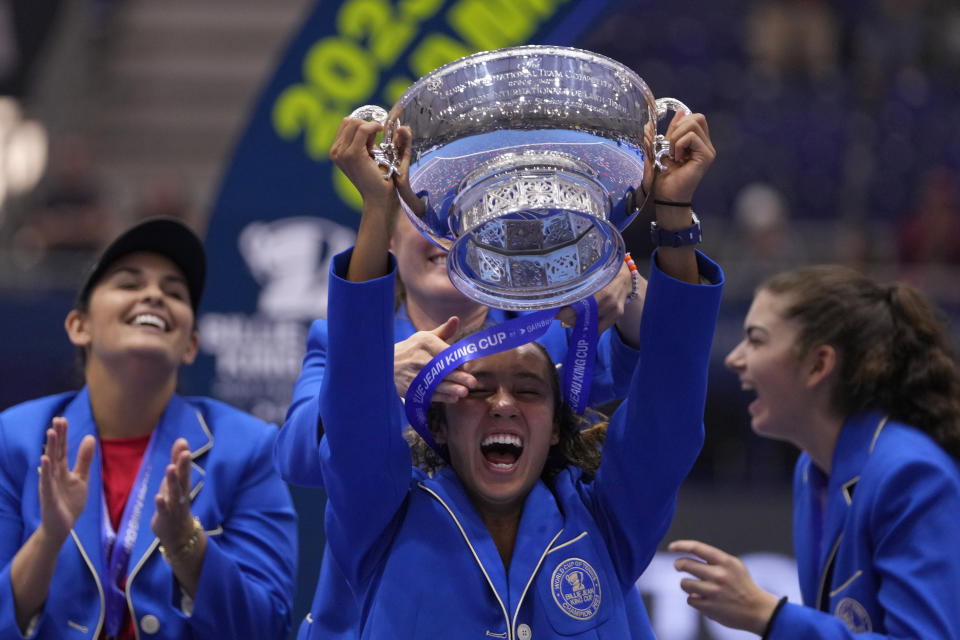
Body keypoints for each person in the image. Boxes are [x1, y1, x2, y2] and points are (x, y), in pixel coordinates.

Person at [305, 110, 721, 638]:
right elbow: (350, 421)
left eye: (528, 391)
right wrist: (376, 207)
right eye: (476, 391)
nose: (503, 404)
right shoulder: (380, 519)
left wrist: (675, 212)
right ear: (437, 426)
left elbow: (669, 408)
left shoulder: (610, 520)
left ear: (555, 428)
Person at [0, 218, 298, 639]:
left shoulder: (248, 449)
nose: (154, 295)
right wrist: (48, 538)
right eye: (128, 283)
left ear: (191, 344)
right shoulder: (13, 440)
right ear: (78, 326)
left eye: (174, 292)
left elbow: (268, 627)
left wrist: (187, 547)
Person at [670, 265, 960, 638]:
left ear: (818, 364)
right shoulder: (812, 468)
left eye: (756, 340)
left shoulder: (912, 475)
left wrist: (769, 615)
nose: (734, 359)